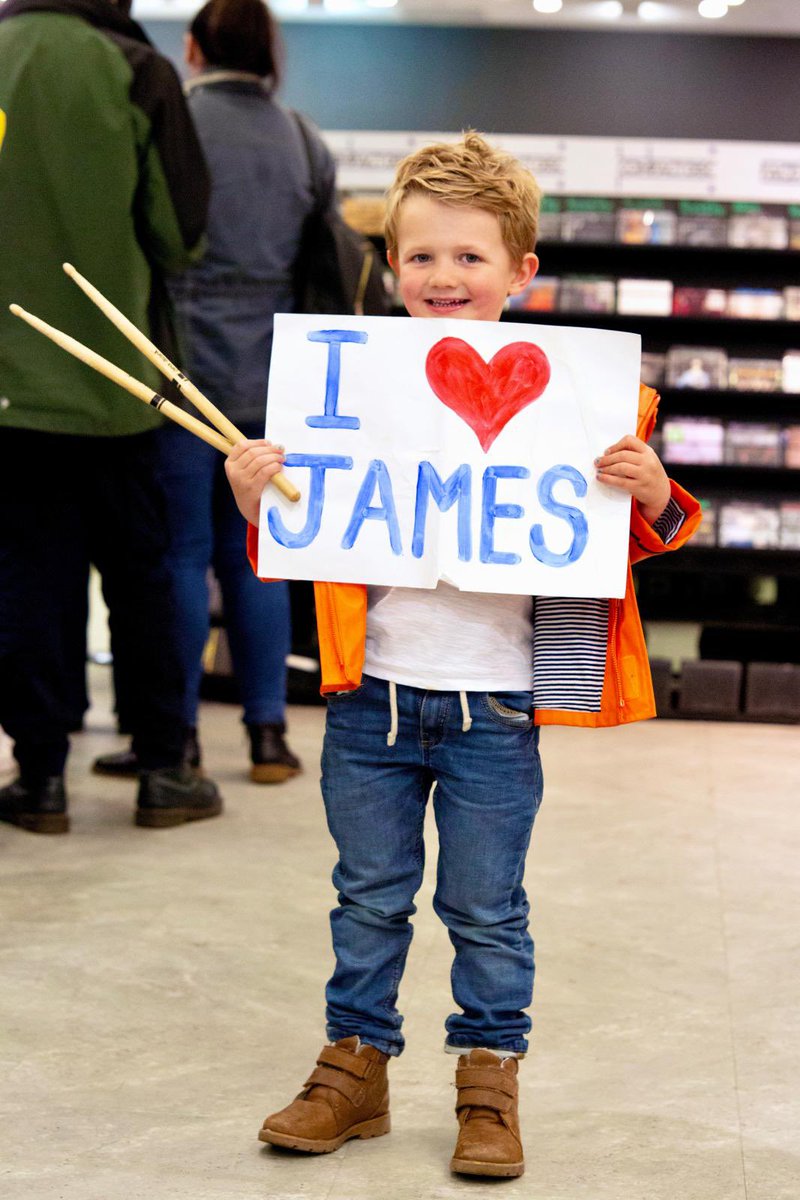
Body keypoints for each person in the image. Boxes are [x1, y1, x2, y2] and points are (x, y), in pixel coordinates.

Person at [225, 133, 702, 1177]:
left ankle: (489, 1078)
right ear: (389, 267)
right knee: (367, 891)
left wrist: (653, 490)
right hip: (372, 699)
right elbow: (300, 542)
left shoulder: (581, 404)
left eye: (468, 258)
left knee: (486, 906)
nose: (441, 277)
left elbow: (644, 536)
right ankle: (353, 1066)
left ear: (521, 271)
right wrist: (257, 495)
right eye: (420, 257)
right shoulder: (347, 397)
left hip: (497, 707)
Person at [92, 0, 331, 785]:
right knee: (258, 557)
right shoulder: (303, 139)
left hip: (177, 373)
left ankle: (179, 738)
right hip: (277, 378)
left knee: (181, 558)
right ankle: (268, 735)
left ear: (192, 47)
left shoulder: (171, 121)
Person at [0, 0, 222, 833]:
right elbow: (181, 231)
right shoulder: (137, 69)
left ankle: (40, 777)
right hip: (119, 388)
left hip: (9, 386)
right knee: (143, 580)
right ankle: (164, 768)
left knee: (28, 583)